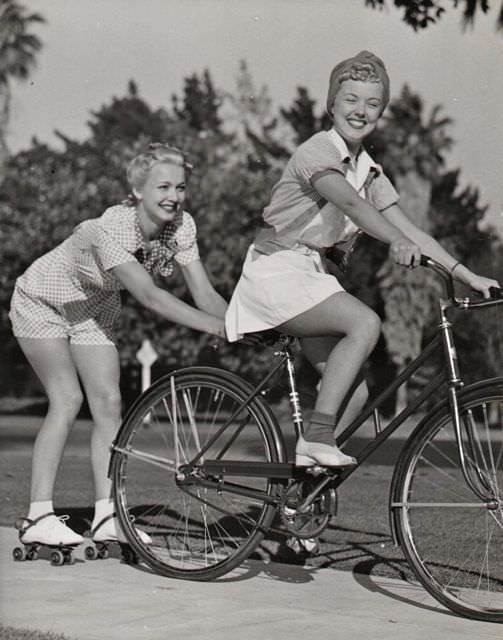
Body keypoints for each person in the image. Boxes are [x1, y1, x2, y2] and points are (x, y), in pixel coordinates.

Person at [225, 51, 499, 468]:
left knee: (357, 394)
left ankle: (302, 490)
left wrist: (465, 274)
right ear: (331, 103)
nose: (361, 111)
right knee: (365, 322)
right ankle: (314, 441)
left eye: (373, 104)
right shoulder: (317, 151)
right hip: (276, 271)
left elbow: (414, 232)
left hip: (311, 277)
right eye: (350, 99)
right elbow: (352, 205)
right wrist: (393, 241)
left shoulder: (370, 171)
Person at [9, 143, 227, 549]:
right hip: (43, 299)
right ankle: (38, 515)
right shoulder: (106, 229)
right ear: (138, 189)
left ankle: (108, 515)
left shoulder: (182, 226)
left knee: (109, 403)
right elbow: (150, 296)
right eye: (163, 186)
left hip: (94, 308)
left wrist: (237, 323)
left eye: (181, 187)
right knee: (67, 399)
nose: (173, 197)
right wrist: (214, 327)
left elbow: (204, 293)